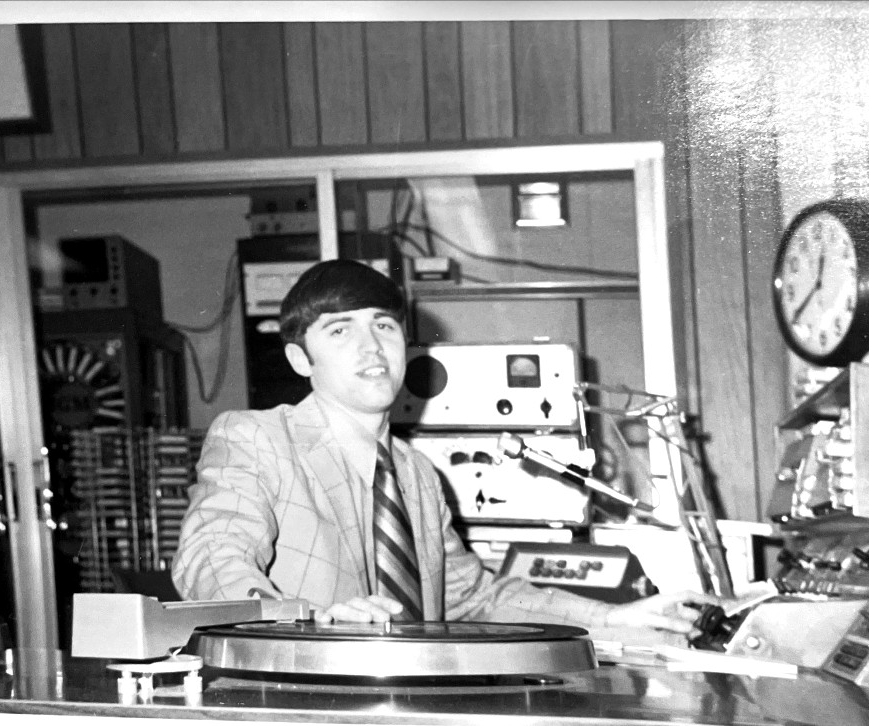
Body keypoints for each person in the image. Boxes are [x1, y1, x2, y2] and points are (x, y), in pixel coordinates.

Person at [173, 259, 719, 642]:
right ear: (300, 359)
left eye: (383, 325)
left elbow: (473, 598)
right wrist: (309, 623)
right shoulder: (256, 438)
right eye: (340, 330)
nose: (371, 346)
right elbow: (211, 558)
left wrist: (614, 617)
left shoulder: (416, 474)